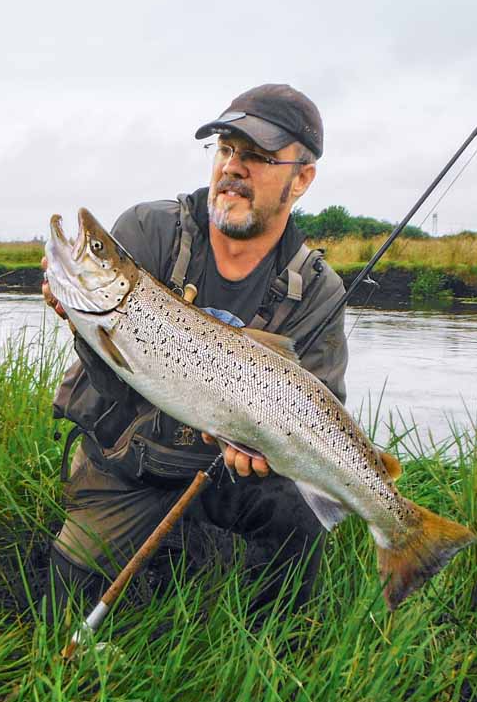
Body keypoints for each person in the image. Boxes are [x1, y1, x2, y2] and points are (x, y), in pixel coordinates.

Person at [41, 83, 349, 625]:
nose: (233, 167)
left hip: (230, 473)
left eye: (256, 156)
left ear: (302, 178)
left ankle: (275, 654)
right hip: (128, 460)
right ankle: (161, 546)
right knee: (57, 614)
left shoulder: (318, 288)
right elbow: (114, 386)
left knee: (297, 513)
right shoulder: (150, 229)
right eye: (226, 149)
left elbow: (322, 406)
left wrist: (269, 452)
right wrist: (85, 326)